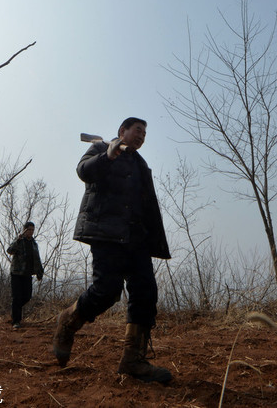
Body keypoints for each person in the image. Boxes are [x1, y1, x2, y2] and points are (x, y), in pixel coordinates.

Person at [52, 117, 172, 383]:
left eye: (144, 132)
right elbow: (84, 172)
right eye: (137, 130)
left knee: (145, 293)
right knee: (106, 292)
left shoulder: (141, 164)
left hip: (136, 238)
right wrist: (107, 156)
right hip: (106, 233)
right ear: (122, 131)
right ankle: (68, 321)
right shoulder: (100, 149)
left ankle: (133, 361)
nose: (141, 135)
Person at [6, 221, 44, 330]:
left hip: (27, 274)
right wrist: (18, 240)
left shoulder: (33, 243)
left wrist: (39, 272)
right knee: (16, 297)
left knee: (27, 296)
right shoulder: (19, 241)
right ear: (25, 230)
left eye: (32, 230)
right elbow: (10, 250)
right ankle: (16, 321)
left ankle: (15, 311)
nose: (31, 232)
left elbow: (37, 259)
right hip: (17, 273)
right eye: (29, 230)